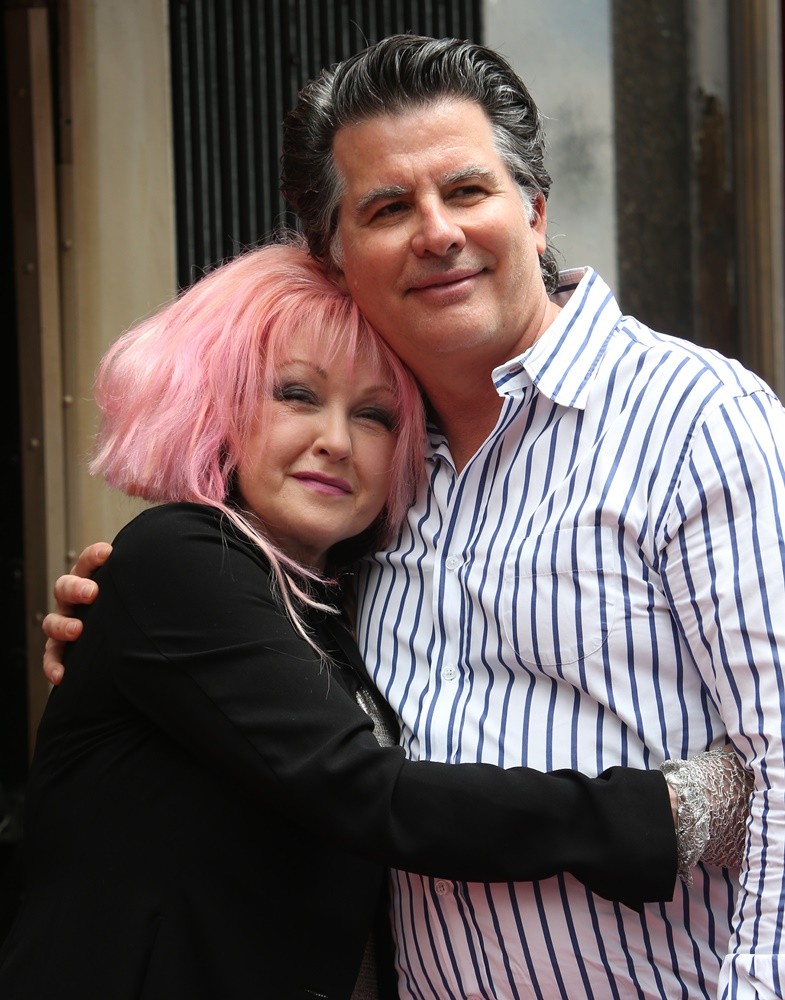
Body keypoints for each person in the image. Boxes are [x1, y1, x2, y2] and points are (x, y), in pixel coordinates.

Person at [42, 34, 777, 999]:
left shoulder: (697, 419)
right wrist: (120, 632)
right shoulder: (369, 497)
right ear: (335, 257)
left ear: (536, 212)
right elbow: (341, 773)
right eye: (388, 207)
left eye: (467, 191)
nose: (436, 232)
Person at [2, 238, 697, 1000]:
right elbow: (363, 791)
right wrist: (664, 812)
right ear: (215, 402)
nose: (335, 441)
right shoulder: (181, 556)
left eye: (372, 416)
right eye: (296, 395)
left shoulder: (342, 595)